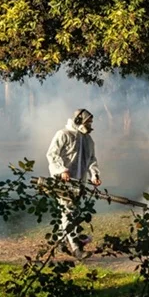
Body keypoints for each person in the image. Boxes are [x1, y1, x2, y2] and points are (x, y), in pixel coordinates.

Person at [46, 109, 101, 259]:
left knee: (70, 212)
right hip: (63, 182)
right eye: (87, 122)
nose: (90, 125)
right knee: (68, 213)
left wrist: (94, 175)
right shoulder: (63, 134)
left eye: (91, 122)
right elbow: (52, 154)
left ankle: (60, 241)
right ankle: (77, 248)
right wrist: (61, 170)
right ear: (78, 120)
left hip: (79, 183)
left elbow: (91, 159)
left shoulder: (88, 140)